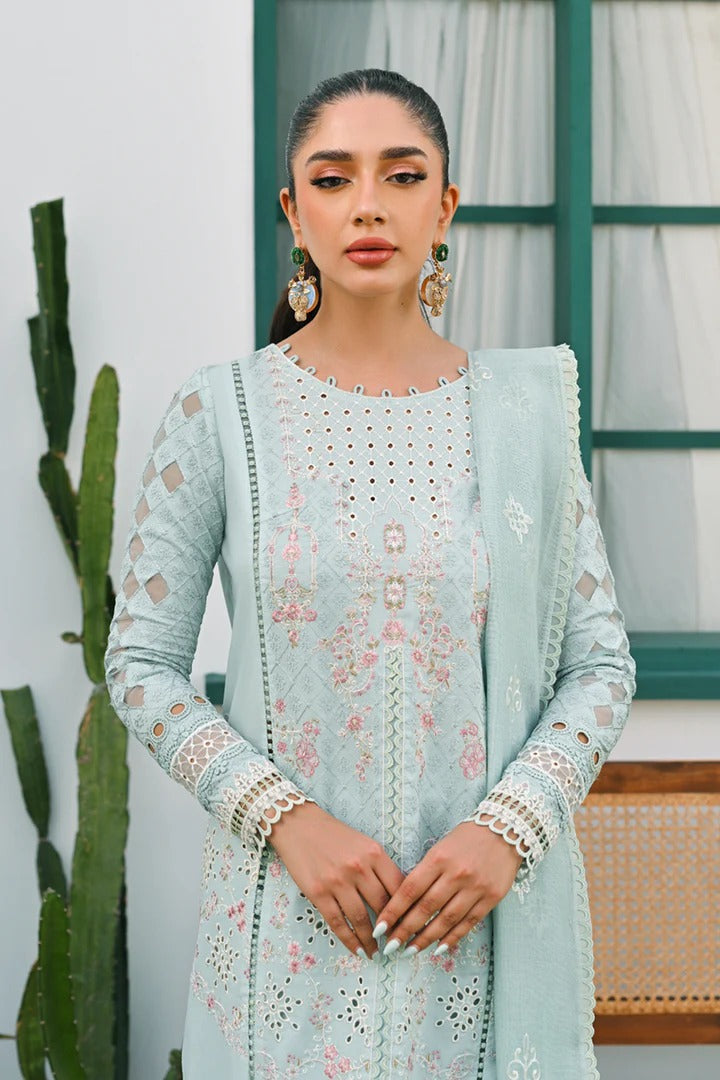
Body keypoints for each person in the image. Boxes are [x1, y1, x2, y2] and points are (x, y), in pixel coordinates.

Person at [104, 68, 637, 1079]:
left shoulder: (522, 418)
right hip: (284, 924)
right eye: (332, 177)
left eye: (401, 175)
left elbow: (600, 665)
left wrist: (507, 831)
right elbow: (139, 664)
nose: (367, 206)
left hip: (476, 927)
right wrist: (284, 818)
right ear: (293, 211)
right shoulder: (221, 414)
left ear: (445, 206)